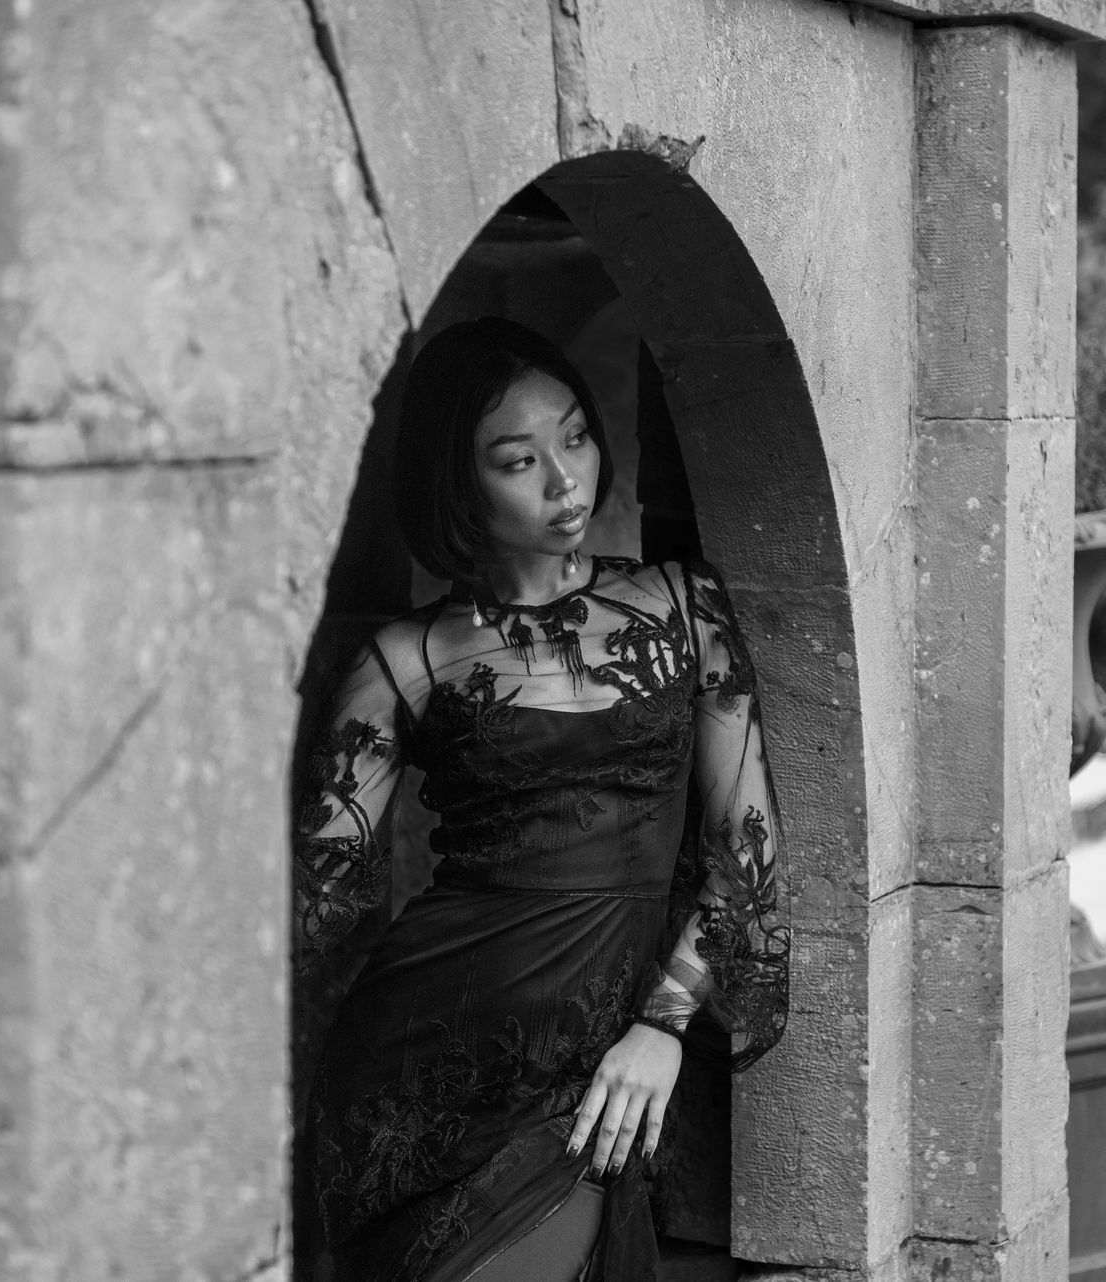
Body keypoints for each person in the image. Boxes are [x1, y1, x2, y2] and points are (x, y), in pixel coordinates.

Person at [296, 316, 790, 1281]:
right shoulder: (406, 661)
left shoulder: (683, 608)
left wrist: (664, 1021)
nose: (566, 481)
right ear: (458, 483)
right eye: (519, 460)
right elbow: (318, 909)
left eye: (574, 437)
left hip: (605, 1062)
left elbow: (747, 837)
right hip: (422, 1068)